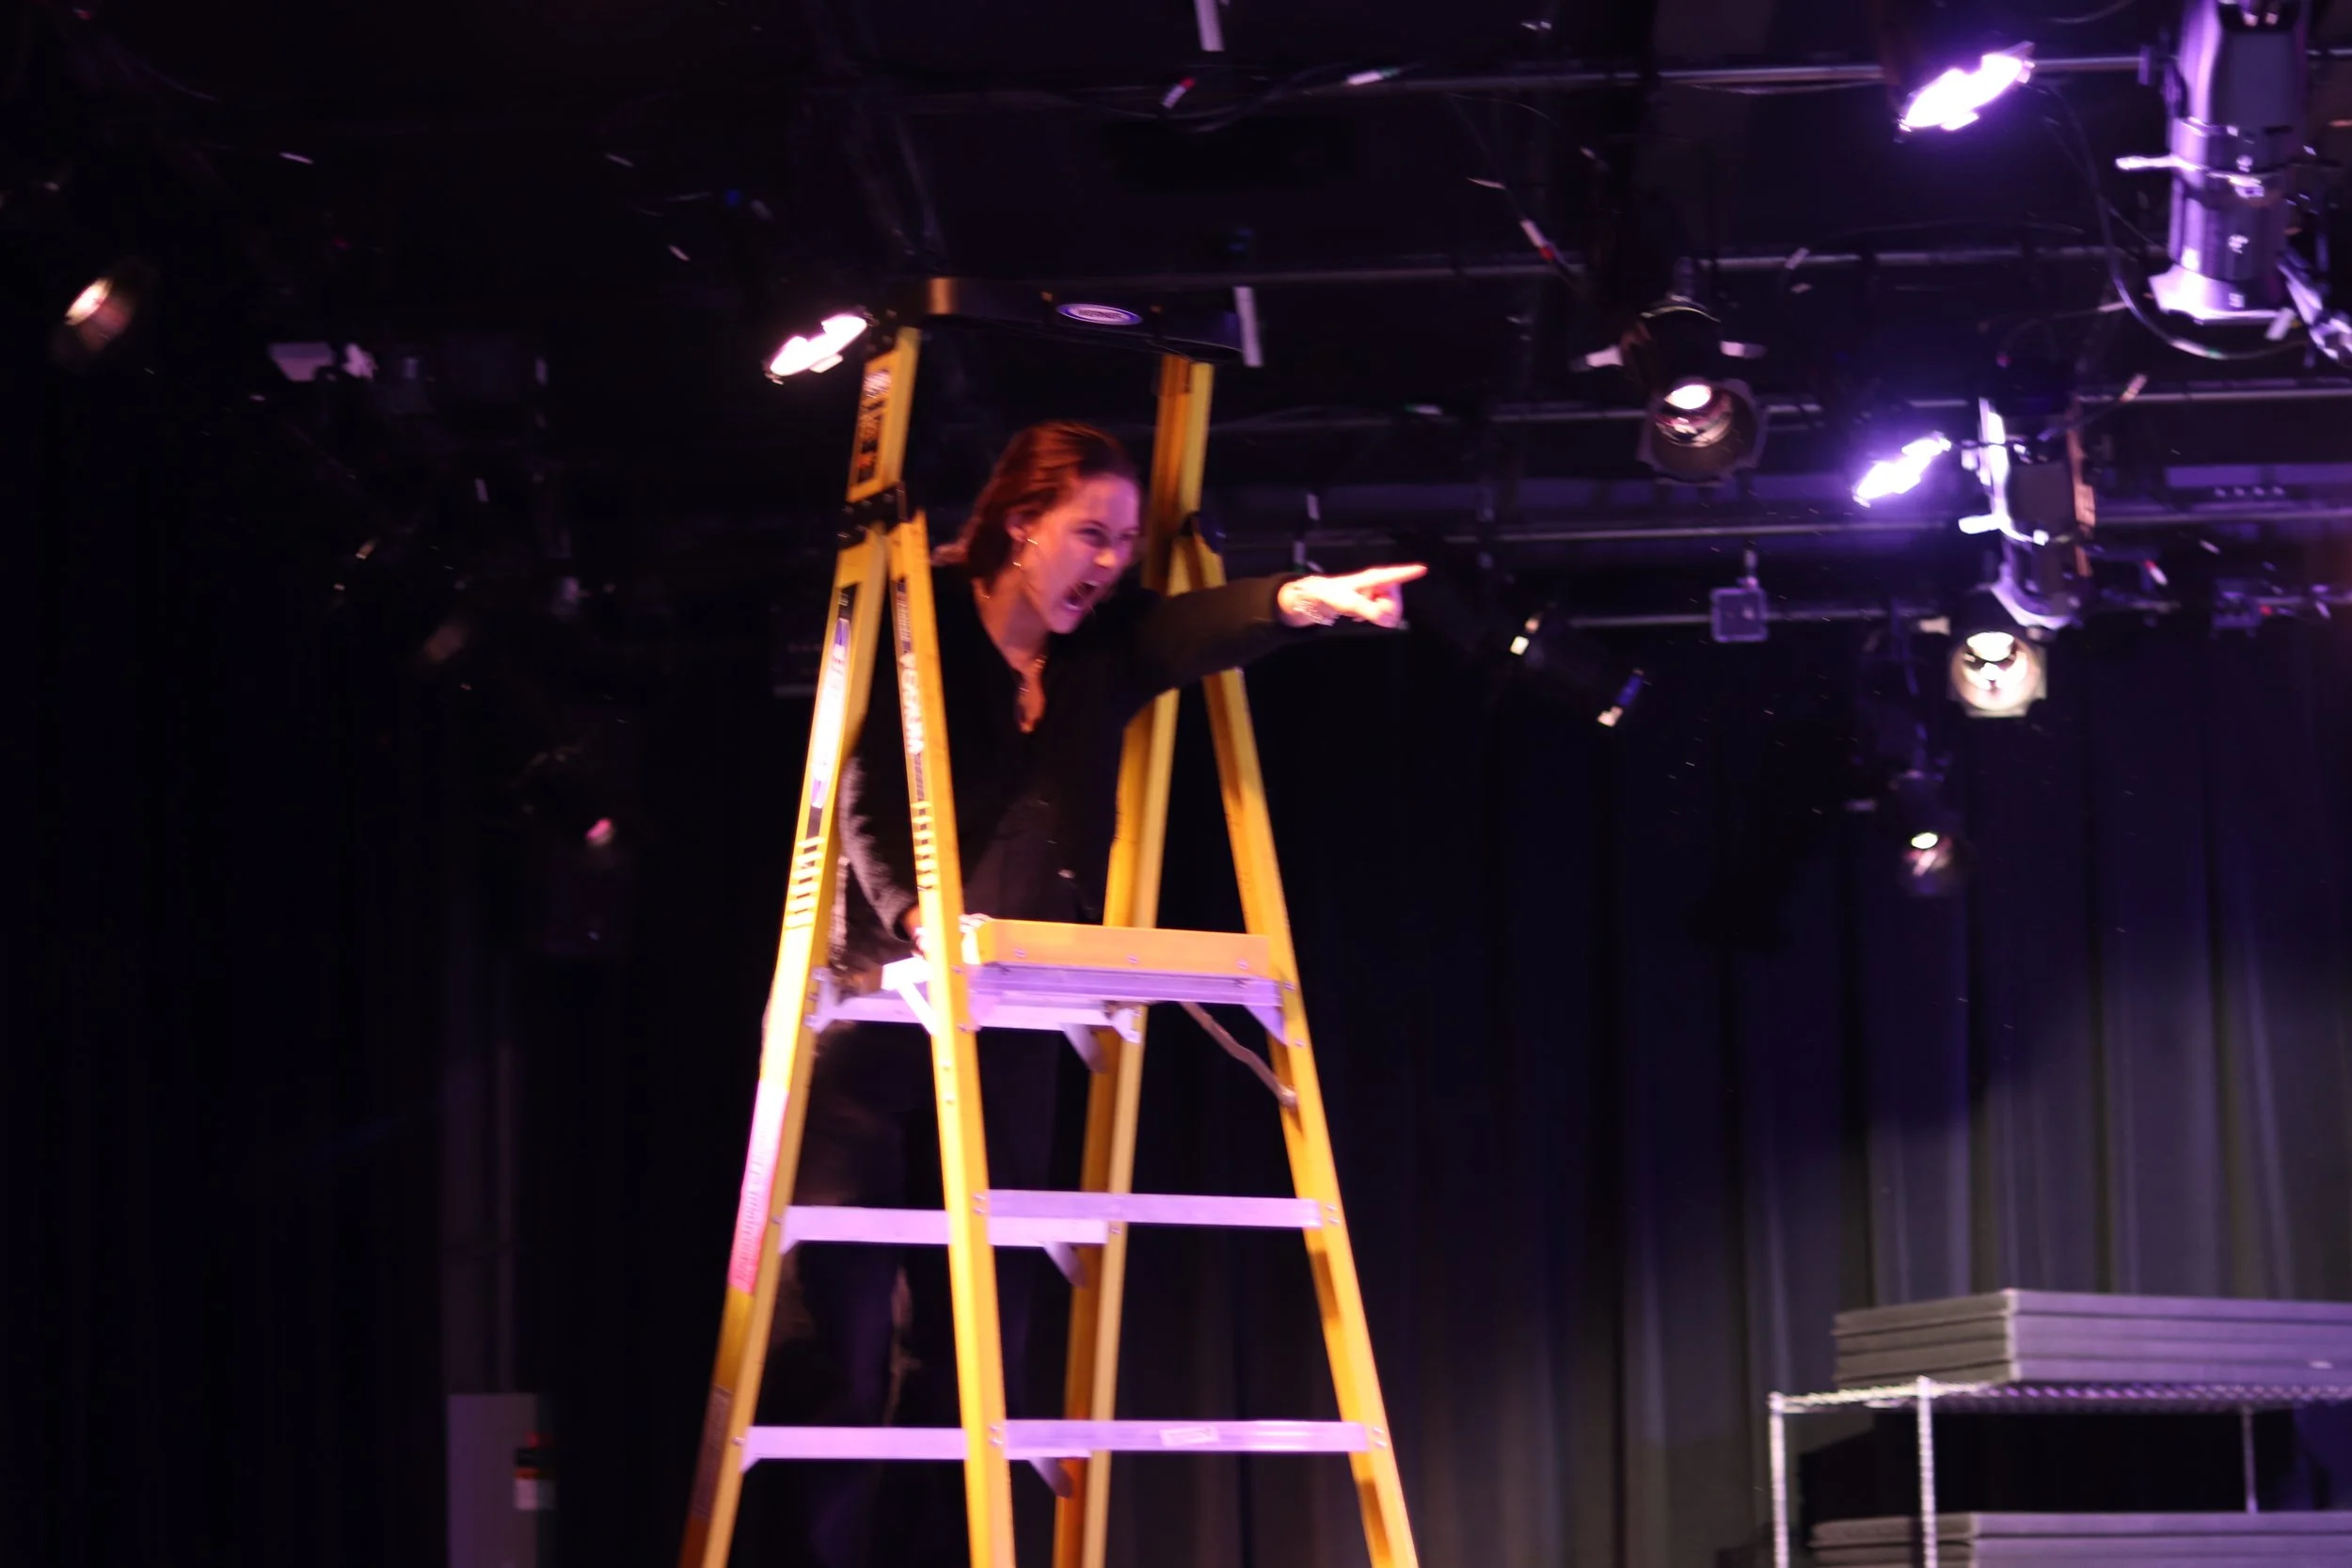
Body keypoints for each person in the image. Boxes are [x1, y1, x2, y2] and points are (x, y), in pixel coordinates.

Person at [759, 420, 1422, 1568]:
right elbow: (862, 792)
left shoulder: (1100, 649)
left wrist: (1307, 600)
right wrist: (919, 922)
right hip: (881, 1025)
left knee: (976, 1364)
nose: (1110, 561)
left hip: (1009, 1027)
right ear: (1021, 526)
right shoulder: (921, 623)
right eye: (1090, 534)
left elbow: (1191, 628)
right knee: (845, 1351)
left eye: (1123, 541)